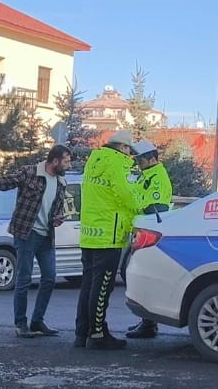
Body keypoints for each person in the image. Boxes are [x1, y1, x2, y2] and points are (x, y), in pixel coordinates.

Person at [0, 145, 72, 338]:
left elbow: (54, 209)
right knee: (24, 279)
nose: (68, 165)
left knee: (50, 277)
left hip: (46, 235)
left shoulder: (61, 181)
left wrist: (57, 219)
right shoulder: (30, 172)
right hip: (26, 233)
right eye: (66, 161)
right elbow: (5, 183)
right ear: (55, 161)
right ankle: (21, 324)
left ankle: (37, 321)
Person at [75, 130, 140, 350]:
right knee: (102, 288)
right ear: (123, 148)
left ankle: (81, 333)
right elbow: (126, 195)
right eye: (129, 151)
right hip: (108, 235)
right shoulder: (118, 163)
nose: (130, 156)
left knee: (88, 285)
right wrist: (140, 205)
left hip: (89, 234)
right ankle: (98, 334)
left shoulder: (94, 160)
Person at [125, 140, 173, 339]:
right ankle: (147, 321)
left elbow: (154, 208)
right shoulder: (147, 175)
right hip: (142, 233)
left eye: (141, 160)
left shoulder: (158, 177)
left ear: (152, 159)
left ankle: (149, 323)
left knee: (142, 278)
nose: (138, 163)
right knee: (136, 277)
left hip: (149, 235)